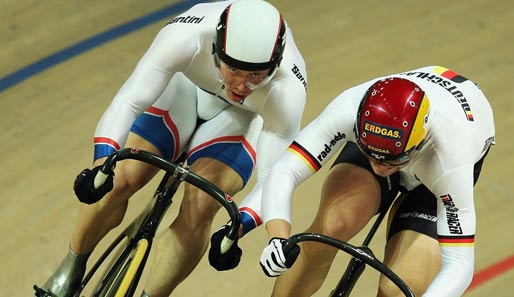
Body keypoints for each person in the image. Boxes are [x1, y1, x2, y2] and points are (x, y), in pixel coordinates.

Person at [36, 0, 307, 296]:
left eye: (256, 75)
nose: (241, 85)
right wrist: (102, 164)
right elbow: (128, 102)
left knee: (201, 208)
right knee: (120, 178)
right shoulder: (186, 36)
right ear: (216, 49)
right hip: (184, 88)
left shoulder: (288, 88)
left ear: (276, 64)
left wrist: (237, 228)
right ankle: (72, 263)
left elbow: (273, 179)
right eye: (233, 70)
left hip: (243, 119)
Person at [257, 66, 495, 296]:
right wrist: (278, 236)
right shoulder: (349, 108)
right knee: (329, 230)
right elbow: (285, 170)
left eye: (391, 162)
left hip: (435, 166)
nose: (380, 167)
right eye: (370, 155)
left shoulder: (452, 155)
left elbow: (459, 265)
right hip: (393, 140)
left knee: (402, 288)